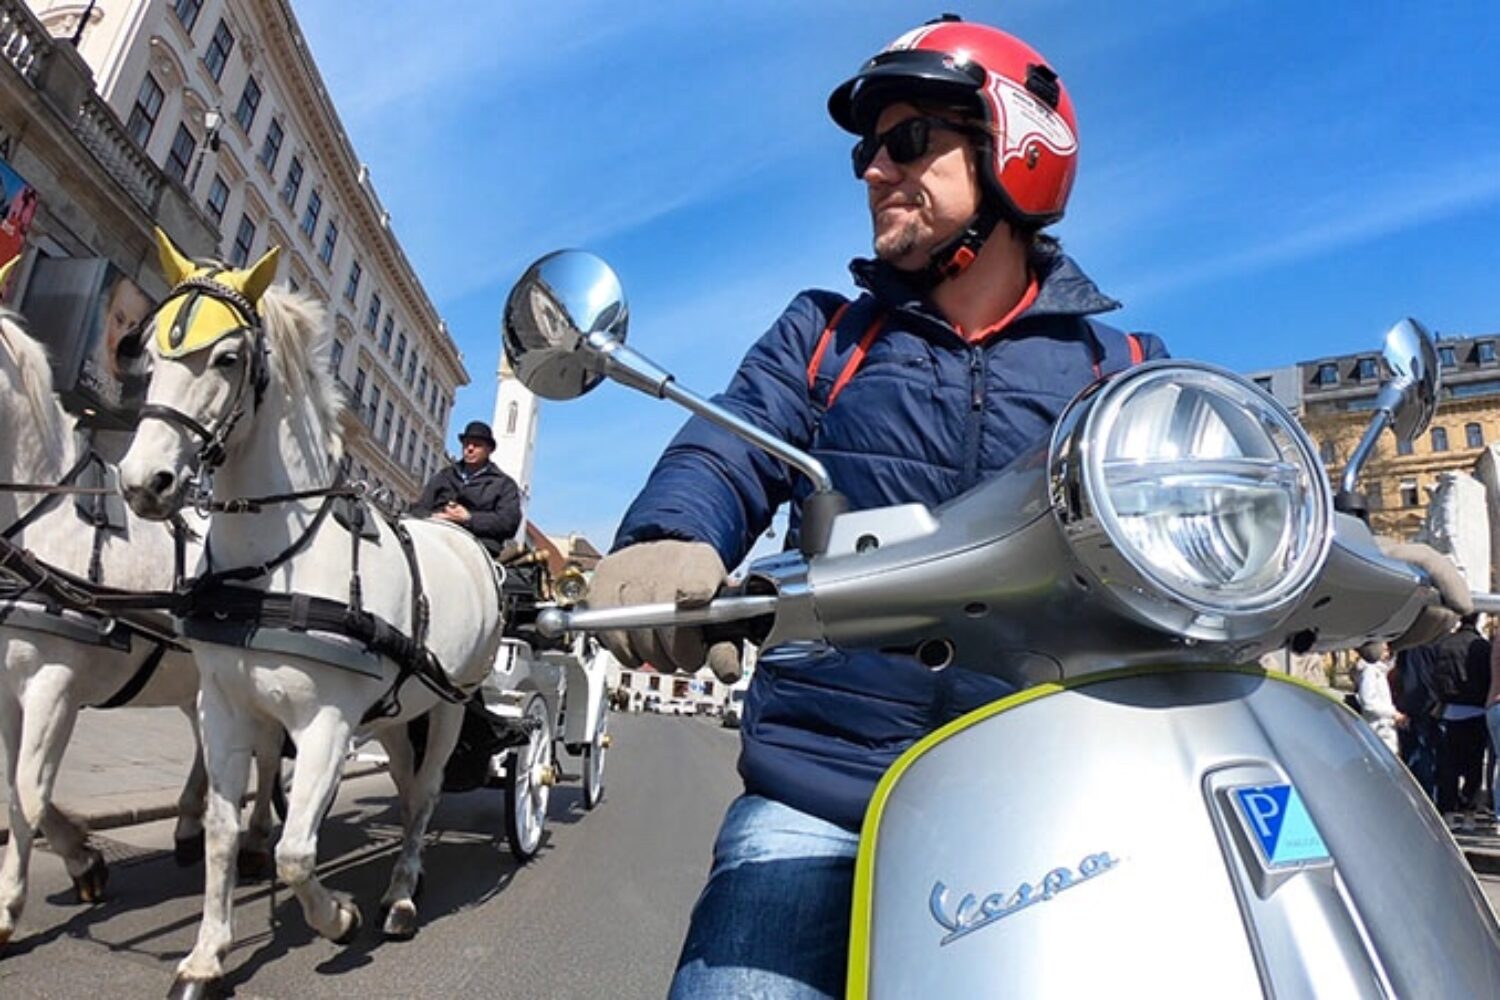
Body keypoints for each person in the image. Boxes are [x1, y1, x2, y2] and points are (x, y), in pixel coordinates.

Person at [587, 17, 1470, 998]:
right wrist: (669, 540)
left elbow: (1228, 496)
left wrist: (1367, 554)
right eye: (867, 148)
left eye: (908, 139)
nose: (874, 169)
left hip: (1054, 787)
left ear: (1017, 148)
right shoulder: (827, 337)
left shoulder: (1123, 374)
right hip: (824, 789)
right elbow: (730, 446)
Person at [413, 420, 521, 550]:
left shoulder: (504, 485)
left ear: (489, 450)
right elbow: (419, 508)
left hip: (479, 546)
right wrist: (434, 517)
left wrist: (469, 518)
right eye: (466, 444)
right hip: (435, 538)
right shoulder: (444, 476)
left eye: (477, 445)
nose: (470, 448)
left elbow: (508, 523)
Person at [1429, 613, 1491, 819]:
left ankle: (1448, 808)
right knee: (1474, 763)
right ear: (1477, 620)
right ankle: (1469, 810)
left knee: (1450, 764)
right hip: (1477, 710)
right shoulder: (1482, 646)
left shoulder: (1445, 645)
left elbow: (1436, 676)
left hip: (1451, 711)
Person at [1356, 642, 1403, 756]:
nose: (1387, 654)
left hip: (1385, 726)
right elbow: (1368, 703)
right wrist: (1392, 713)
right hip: (1378, 727)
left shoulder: (1380, 671)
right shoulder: (1369, 671)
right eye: (1385, 650)